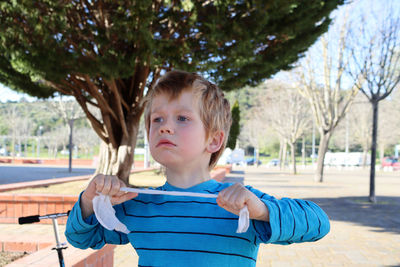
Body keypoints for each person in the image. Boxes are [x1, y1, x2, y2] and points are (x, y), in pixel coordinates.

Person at [65, 70, 330, 266]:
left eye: (182, 118)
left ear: (214, 140)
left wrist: (262, 211)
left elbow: (319, 223)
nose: (165, 126)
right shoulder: (139, 205)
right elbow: (80, 238)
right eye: (157, 119)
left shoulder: (243, 206)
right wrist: (89, 202)